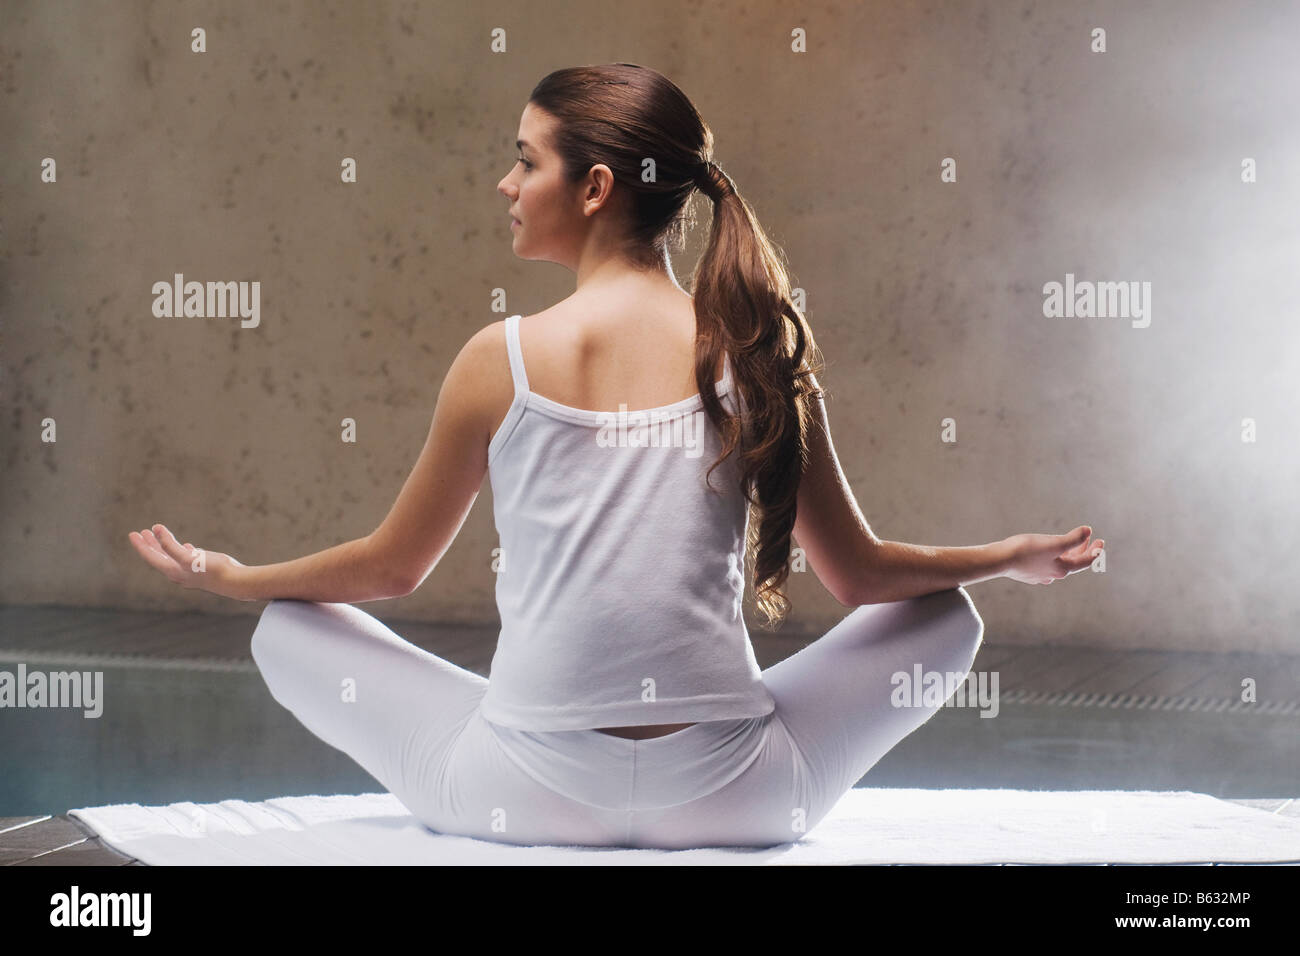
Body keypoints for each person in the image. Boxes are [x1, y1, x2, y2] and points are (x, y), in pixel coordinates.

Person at [127, 63, 1104, 850]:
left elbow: (392, 568)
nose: (506, 185)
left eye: (525, 161)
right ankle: (537, 713)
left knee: (284, 631)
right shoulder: (755, 346)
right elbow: (864, 576)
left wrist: (236, 574)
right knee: (946, 612)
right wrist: (1004, 554)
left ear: (594, 187)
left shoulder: (498, 356)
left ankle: (522, 713)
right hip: (741, 798)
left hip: (521, 793)